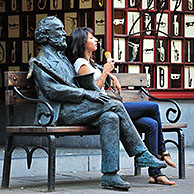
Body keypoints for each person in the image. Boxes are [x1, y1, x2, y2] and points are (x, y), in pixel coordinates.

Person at [30, 16, 167, 190]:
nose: (64, 33)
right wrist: (87, 94)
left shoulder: (62, 59)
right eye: (58, 30)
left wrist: (107, 76)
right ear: (46, 35)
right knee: (114, 105)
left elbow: (81, 77)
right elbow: (52, 91)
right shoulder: (41, 61)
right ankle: (140, 153)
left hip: (74, 107)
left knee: (110, 117)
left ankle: (110, 175)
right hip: (58, 112)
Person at [66, 27, 176, 185]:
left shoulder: (91, 63)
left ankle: (155, 174)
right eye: (92, 38)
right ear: (83, 43)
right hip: (100, 109)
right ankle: (163, 151)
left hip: (110, 106)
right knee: (153, 108)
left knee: (151, 124)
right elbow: (92, 93)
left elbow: (102, 80)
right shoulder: (80, 64)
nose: (96, 40)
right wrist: (105, 73)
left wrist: (112, 76)